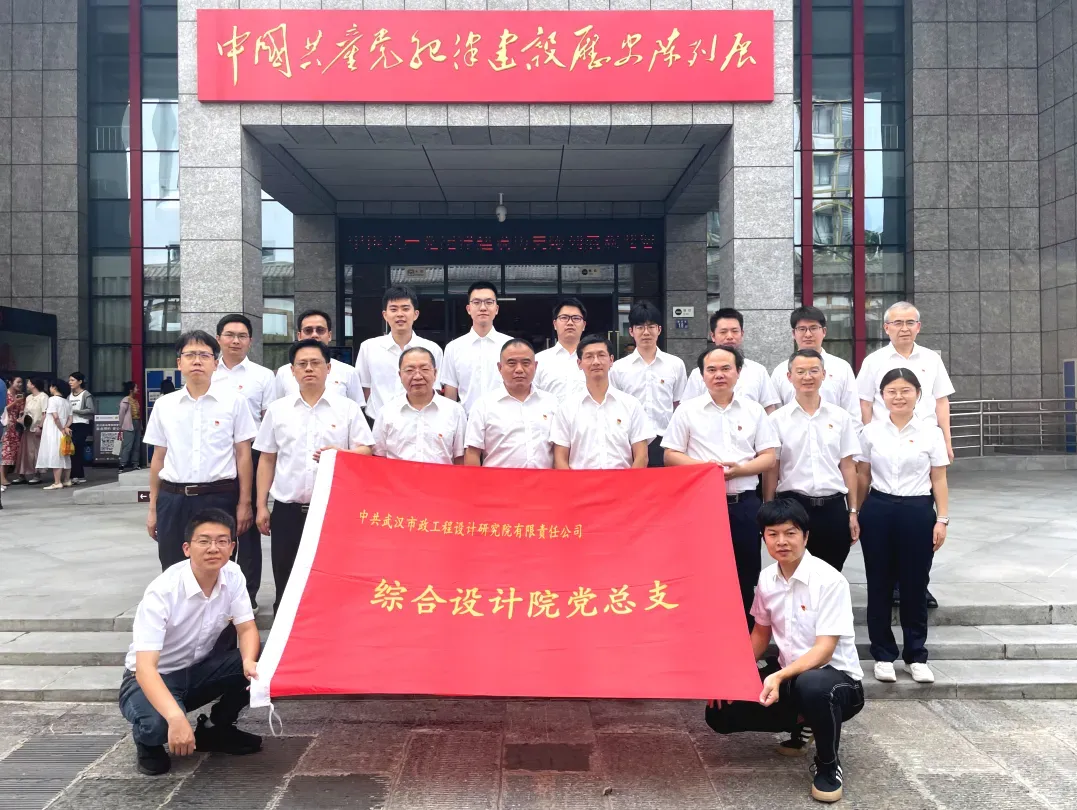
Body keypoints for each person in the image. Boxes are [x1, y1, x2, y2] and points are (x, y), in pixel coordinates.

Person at [704, 499, 864, 804]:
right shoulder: (767, 578)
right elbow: (761, 633)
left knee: (812, 685)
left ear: (806, 536)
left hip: (837, 682)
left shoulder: (830, 581)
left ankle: (828, 765)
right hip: (791, 676)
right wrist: (732, 675)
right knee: (719, 711)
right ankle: (804, 722)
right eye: (772, 534)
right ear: (763, 538)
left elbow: (825, 651)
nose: (782, 542)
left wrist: (777, 677)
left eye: (790, 533)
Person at [118, 508, 262, 776]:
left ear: (231, 547)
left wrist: (249, 663)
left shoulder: (233, 574)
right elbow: (145, 668)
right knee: (157, 726)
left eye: (222, 541)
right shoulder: (163, 591)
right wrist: (176, 717)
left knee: (261, 659)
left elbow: (246, 629)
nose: (213, 548)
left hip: (197, 672)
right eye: (204, 541)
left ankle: (215, 729)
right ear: (187, 548)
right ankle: (147, 741)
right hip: (150, 677)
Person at [255, 339, 375, 614]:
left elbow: (367, 451)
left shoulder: (347, 408)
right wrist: (261, 505)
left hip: (333, 510)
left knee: (333, 577)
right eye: (302, 364)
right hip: (288, 510)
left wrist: (342, 453)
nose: (309, 369)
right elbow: (267, 458)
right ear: (292, 371)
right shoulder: (278, 410)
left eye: (315, 363)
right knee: (286, 577)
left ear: (328, 368)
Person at [662, 345, 779, 620]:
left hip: (744, 504)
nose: (719, 375)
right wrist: (706, 470)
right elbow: (670, 455)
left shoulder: (754, 410)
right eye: (711, 370)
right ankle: (703, 631)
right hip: (701, 506)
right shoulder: (687, 411)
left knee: (745, 573)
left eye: (726, 368)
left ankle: (745, 637)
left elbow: (769, 457)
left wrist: (740, 470)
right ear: (702, 375)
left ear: (738, 372)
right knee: (699, 570)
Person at [855, 301, 954, 610]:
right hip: (886, 442)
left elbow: (941, 402)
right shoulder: (874, 361)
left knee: (922, 516)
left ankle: (918, 585)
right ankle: (892, 586)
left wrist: (947, 440)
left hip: (924, 443)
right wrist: (870, 437)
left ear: (918, 327)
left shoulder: (932, 360)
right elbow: (865, 403)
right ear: (886, 328)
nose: (904, 328)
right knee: (885, 516)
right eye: (897, 323)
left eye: (910, 322)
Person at [856, 368, 950, 685]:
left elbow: (939, 478)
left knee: (914, 584)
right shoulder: (870, 432)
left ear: (918, 394)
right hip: (878, 509)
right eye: (891, 391)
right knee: (879, 583)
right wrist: (855, 512)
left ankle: (916, 656)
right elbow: (863, 475)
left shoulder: (931, 433)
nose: (898, 396)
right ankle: (883, 654)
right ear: (882, 396)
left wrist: (942, 518)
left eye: (905, 390)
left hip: (917, 510)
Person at [144, 331, 258, 572]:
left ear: (215, 363)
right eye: (190, 355)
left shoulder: (234, 402)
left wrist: (244, 503)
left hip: (219, 497)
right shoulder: (165, 405)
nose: (197, 361)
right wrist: (153, 508)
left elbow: (243, 455)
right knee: (173, 568)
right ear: (179, 363)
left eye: (204, 355)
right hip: (173, 498)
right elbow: (158, 457)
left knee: (219, 568)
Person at [763, 350, 862, 572]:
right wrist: (768, 508)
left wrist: (853, 511)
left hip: (833, 507)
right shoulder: (777, 420)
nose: (807, 377)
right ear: (789, 376)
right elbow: (772, 469)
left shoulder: (840, 417)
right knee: (793, 571)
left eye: (814, 371)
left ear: (823, 374)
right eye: (800, 372)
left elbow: (848, 466)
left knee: (831, 571)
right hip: (793, 506)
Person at [214, 314, 278, 611]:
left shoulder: (263, 376)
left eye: (241, 336)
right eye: (229, 335)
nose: (235, 341)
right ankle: (216, 590)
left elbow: (268, 421)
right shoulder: (208, 372)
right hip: (216, 455)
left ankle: (247, 594)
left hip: (250, 454)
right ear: (219, 339)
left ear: (250, 341)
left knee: (247, 525)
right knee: (217, 525)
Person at [550, 335, 653, 470]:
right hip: (580, 482)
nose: (596, 362)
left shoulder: (631, 405)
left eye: (601, 355)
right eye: (589, 357)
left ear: (611, 360)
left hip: (622, 481)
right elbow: (560, 459)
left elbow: (641, 456)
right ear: (579, 363)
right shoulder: (567, 408)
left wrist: (629, 482)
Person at [609, 301, 687, 467]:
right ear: (631, 331)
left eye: (651, 326)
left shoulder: (675, 364)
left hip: (664, 440)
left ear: (659, 329)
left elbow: (678, 404)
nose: (646, 332)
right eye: (640, 327)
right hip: (630, 440)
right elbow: (614, 407)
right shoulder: (618, 368)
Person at [464, 338, 559, 469]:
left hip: (542, 480)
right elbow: (472, 453)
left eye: (526, 363)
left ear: (535, 366)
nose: (519, 369)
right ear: (500, 367)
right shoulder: (483, 405)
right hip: (498, 480)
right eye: (512, 363)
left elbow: (560, 450)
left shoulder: (551, 402)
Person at [358, 286, 444, 426]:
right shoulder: (369, 347)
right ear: (385, 315)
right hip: (378, 423)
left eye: (405, 309)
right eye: (393, 309)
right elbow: (365, 389)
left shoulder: (432, 349)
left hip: (420, 422)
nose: (400, 314)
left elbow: (436, 389)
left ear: (415, 314)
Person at [372, 347, 466, 464]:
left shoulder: (455, 411)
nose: (417, 376)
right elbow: (378, 457)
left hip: (442, 476)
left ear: (435, 373)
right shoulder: (387, 412)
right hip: (397, 476)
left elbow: (460, 459)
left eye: (424, 369)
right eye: (409, 370)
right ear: (400, 375)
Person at [770, 306, 860, 421]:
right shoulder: (780, 371)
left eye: (813, 328)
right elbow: (775, 414)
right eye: (802, 329)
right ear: (793, 333)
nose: (808, 334)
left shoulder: (841, 368)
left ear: (824, 331)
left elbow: (853, 414)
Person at [683, 308, 782, 412]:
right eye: (723, 332)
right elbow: (687, 409)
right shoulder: (698, 374)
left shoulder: (758, 371)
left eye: (735, 331)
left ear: (742, 334)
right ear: (713, 336)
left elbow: (769, 408)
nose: (730, 336)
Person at [270, 309, 364, 409]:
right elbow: (277, 408)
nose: (314, 335)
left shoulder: (349, 372)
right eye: (308, 330)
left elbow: (356, 409)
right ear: (299, 336)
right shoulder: (284, 372)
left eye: (320, 330)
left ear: (329, 335)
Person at [441, 281, 511, 413]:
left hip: (503, 420)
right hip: (466, 420)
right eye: (477, 302)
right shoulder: (453, 348)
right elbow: (451, 393)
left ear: (496, 309)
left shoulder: (509, 346)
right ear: (468, 309)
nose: (483, 308)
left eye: (489, 302)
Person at [534, 298, 588, 398]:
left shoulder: (595, 361)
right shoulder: (539, 361)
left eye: (576, 318)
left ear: (584, 325)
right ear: (555, 324)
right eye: (564, 317)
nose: (570, 323)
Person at [37, 379, 74, 490]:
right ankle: (67, 480)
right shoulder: (67, 402)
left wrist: (61, 429)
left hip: (54, 431)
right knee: (65, 455)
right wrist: (65, 427)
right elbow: (71, 418)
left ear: (54, 387)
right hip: (64, 432)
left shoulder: (52, 400)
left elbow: (55, 417)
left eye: (50, 386)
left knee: (55, 455)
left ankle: (57, 482)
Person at [16, 378, 48, 485]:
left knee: (36, 452)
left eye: (29, 383)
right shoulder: (29, 397)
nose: (27, 385)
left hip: (36, 428)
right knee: (25, 452)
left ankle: (37, 474)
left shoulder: (43, 397)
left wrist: (40, 427)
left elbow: (44, 414)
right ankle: (22, 474)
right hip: (27, 427)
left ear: (33, 385)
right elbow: (26, 412)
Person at [68, 371, 95, 484]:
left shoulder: (85, 394)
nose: (70, 382)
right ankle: (77, 475)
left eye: (72, 380)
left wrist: (75, 411)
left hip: (82, 424)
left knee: (77, 449)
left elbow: (91, 410)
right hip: (71, 424)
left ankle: (77, 475)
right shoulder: (69, 395)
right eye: (69, 380)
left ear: (80, 382)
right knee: (72, 450)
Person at [1, 376, 25, 490]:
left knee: (11, 453)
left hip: (15, 426)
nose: (20, 384)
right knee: (4, 452)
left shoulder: (19, 395)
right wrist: (16, 402)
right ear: (11, 382)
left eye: (21, 382)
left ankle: (4, 476)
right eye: (18, 382)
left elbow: (20, 411)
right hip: (6, 424)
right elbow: (3, 408)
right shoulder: (5, 394)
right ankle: (2, 477)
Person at [117, 381, 143, 472]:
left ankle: (135, 463)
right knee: (127, 446)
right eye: (136, 388)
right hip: (129, 424)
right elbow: (121, 414)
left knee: (137, 445)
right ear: (131, 390)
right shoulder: (125, 400)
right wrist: (121, 426)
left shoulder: (135, 400)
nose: (137, 389)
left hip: (137, 423)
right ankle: (122, 464)